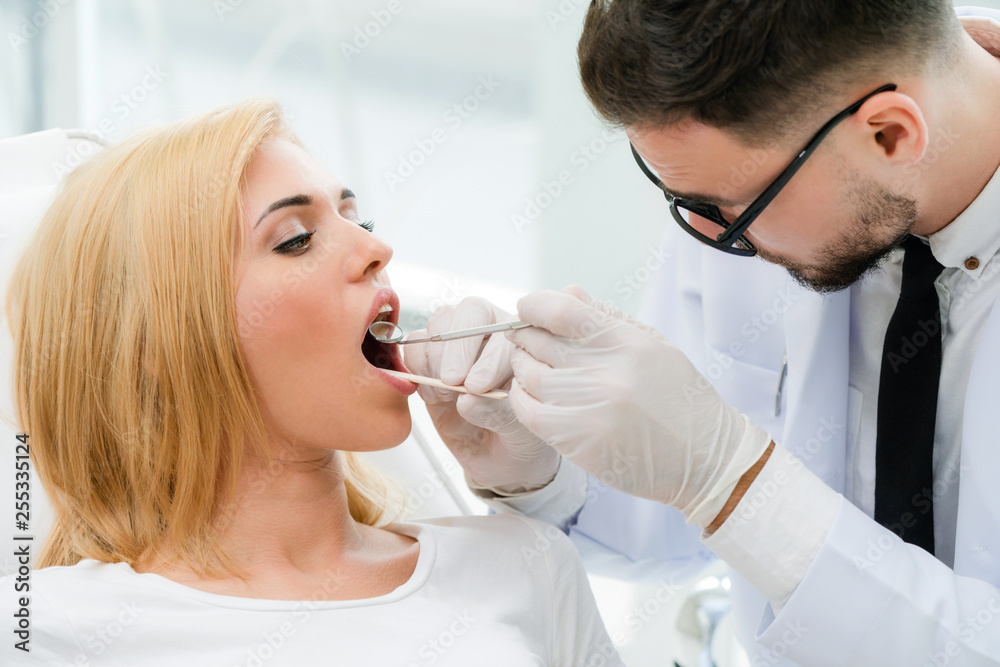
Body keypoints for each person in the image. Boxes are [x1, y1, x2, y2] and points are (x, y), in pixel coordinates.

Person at [405, 3, 1000, 665]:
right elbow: (685, 517)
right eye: (682, 200)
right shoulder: (750, 184)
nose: (709, 237)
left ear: (889, 135)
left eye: (726, 208)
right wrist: (541, 467)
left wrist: (732, 475)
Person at [0, 99, 623, 666]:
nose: (377, 247)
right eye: (296, 240)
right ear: (154, 345)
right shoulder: (44, 631)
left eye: (358, 218)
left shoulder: (524, 563)